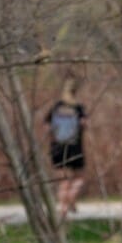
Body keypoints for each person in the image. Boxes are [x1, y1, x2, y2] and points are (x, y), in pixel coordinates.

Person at [45, 76, 87, 219]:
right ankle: (71, 197)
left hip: (58, 147)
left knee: (63, 180)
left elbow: (48, 126)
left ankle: (63, 207)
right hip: (74, 147)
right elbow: (83, 124)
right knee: (79, 177)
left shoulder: (57, 107)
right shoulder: (78, 108)